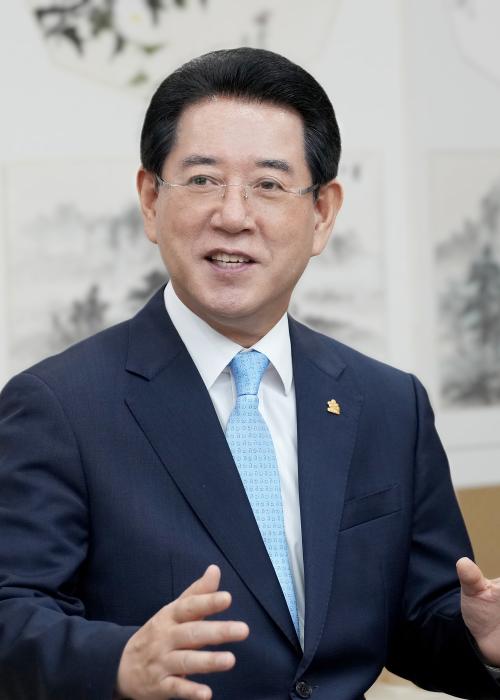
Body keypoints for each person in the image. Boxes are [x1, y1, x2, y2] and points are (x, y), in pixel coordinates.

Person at [0, 47, 499, 700]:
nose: (233, 215)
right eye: (203, 179)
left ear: (321, 213)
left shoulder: (386, 403)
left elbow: (419, 621)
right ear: (150, 200)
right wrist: (120, 661)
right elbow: (12, 614)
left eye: (268, 184)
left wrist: (481, 642)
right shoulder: (60, 406)